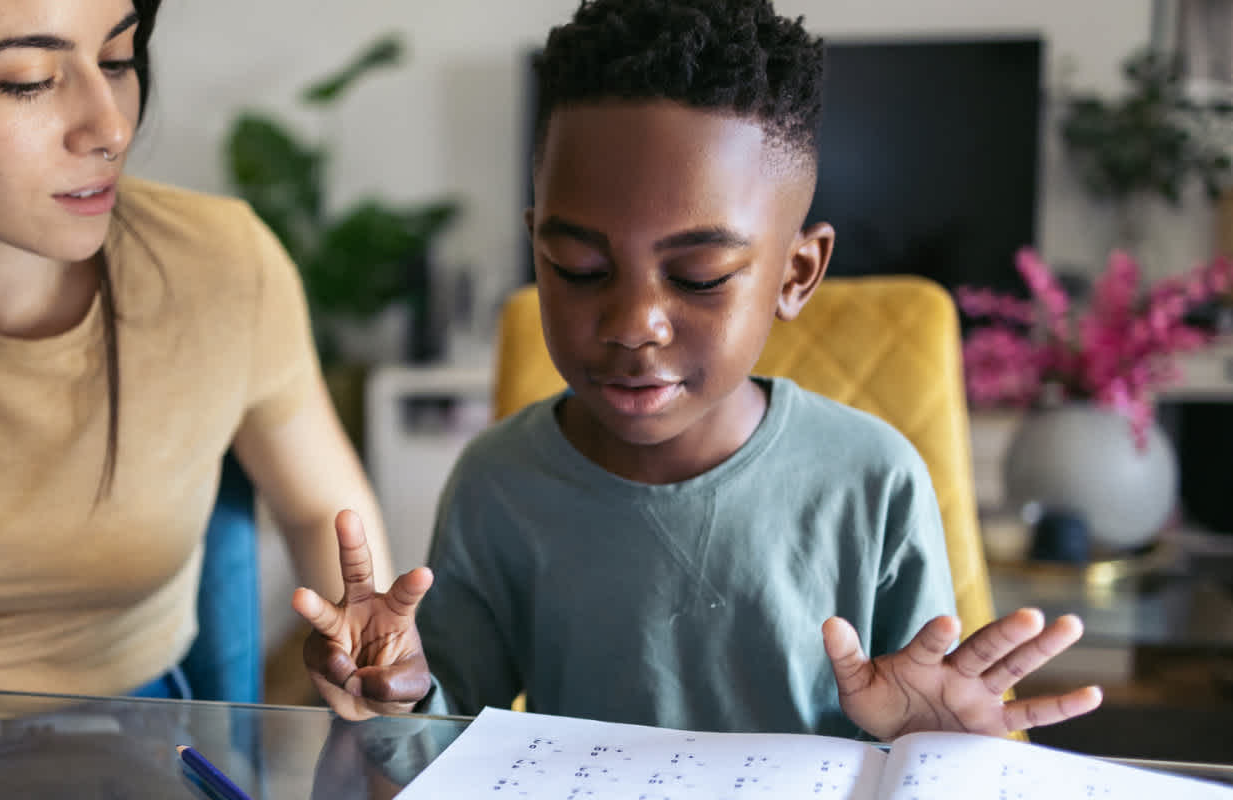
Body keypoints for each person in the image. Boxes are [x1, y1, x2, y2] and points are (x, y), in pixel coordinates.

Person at [294, 0, 1105, 740]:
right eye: (578, 266)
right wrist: (396, 699)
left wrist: (941, 751)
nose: (632, 324)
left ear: (796, 274)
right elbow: (447, 745)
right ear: (536, 243)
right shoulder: (496, 483)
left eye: (700, 276)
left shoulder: (874, 480)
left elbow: (926, 724)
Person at [0, 0, 392, 782]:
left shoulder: (221, 267)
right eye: (30, 81)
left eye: (117, 61)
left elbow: (322, 511)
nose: (108, 127)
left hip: (131, 747)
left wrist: (364, 654)